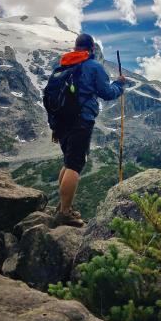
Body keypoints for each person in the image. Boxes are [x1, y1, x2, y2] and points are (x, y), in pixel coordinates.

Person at [54, 33, 125, 227]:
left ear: (76, 47)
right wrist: (120, 84)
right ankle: (65, 213)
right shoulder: (93, 67)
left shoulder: (64, 65)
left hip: (62, 121)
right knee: (75, 165)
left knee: (68, 162)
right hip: (81, 120)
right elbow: (107, 93)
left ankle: (61, 208)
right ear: (92, 49)